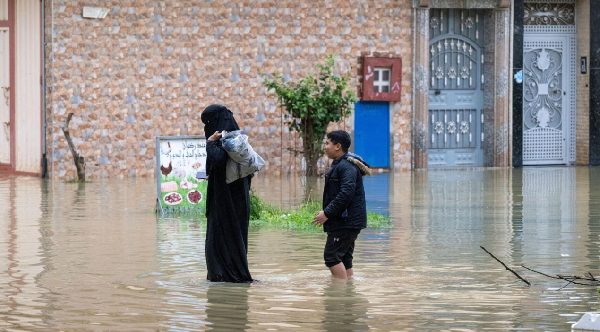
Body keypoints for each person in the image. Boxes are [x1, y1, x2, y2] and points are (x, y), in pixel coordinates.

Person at [201, 104, 253, 283]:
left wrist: (209, 142)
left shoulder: (229, 139)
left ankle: (225, 276)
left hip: (226, 203)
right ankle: (227, 275)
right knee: (232, 238)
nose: (206, 127)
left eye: (207, 122)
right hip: (235, 200)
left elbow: (218, 158)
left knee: (221, 240)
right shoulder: (237, 139)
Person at [312, 130, 370, 280]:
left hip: (346, 222)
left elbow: (346, 194)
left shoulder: (346, 167)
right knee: (344, 258)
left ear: (337, 146)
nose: (325, 147)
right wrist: (328, 211)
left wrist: (327, 213)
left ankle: (339, 297)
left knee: (331, 257)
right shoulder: (341, 164)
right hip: (347, 221)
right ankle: (348, 293)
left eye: (327, 143)